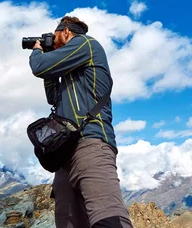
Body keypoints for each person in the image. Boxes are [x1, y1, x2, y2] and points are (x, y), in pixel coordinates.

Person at [29, 15, 133, 228]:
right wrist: (51, 60)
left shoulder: (86, 43)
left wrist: (38, 50)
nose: (53, 41)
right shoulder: (72, 70)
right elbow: (53, 98)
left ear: (66, 31)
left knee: (108, 219)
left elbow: (39, 66)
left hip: (91, 145)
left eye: (55, 36)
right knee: (68, 223)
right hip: (65, 153)